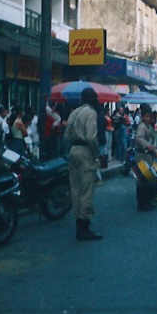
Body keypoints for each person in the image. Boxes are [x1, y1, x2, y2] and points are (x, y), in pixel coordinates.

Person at [65, 88, 102, 241]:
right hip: (86, 152)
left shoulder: (74, 112)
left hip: (73, 151)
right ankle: (84, 227)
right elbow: (91, 137)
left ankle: (78, 224)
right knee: (86, 190)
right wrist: (96, 154)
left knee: (75, 189)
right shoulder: (91, 113)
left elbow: (66, 135)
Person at [134, 106, 157, 211]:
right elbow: (139, 138)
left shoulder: (148, 126)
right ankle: (142, 204)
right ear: (142, 117)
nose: (148, 119)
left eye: (149, 117)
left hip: (147, 156)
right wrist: (150, 147)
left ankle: (146, 201)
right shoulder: (142, 127)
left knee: (147, 179)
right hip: (142, 155)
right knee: (142, 180)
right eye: (146, 116)